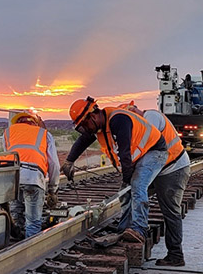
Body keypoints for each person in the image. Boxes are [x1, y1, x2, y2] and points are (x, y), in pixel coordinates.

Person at [62, 97, 168, 245]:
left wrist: (127, 179)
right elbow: (83, 140)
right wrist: (69, 161)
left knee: (137, 186)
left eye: (85, 125)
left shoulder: (118, 120)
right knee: (125, 193)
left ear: (92, 116)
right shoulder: (99, 125)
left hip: (155, 151)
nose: (85, 129)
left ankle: (140, 229)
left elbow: (125, 153)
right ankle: (124, 228)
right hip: (141, 154)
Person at [119, 101, 189, 267]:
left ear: (133, 112)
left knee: (170, 211)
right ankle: (128, 230)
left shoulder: (151, 117)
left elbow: (146, 147)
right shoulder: (142, 122)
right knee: (132, 191)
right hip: (159, 170)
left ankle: (175, 255)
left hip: (173, 169)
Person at [3, 111, 60, 238]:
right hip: (33, 178)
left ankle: (15, 244)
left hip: (12, 178)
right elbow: (54, 165)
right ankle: (30, 247)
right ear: (35, 122)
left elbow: (7, 154)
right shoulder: (44, 134)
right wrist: (52, 190)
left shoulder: (7, 133)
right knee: (33, 222)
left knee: (15, 218)